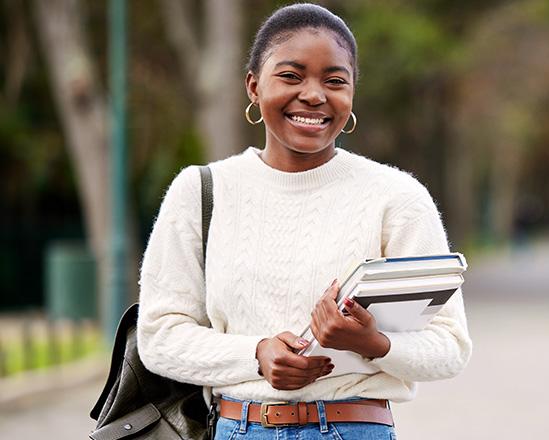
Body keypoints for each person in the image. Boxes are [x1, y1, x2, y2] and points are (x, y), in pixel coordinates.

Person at [137, 3, 472, 439]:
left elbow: (450, 347)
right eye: (291, 76)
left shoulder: (397, 197)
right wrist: (256, 354)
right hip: (239, 428)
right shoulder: (202, 191)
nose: (314, 95)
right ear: (254, 87)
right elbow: (159, 337)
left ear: (351, 96)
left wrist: (372, 345)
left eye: (335, 81)